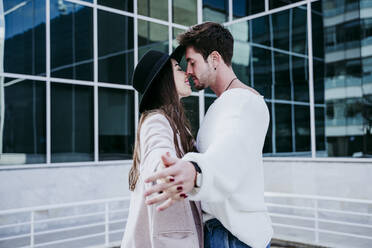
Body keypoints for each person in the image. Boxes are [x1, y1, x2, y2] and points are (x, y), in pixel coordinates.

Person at [144, 22, 273, 248]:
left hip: (233, 237)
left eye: (192, 62)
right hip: (221, 234)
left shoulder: (244, 102)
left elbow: (228, 153)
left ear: (214, 59)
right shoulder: (224, 104)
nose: (189, 71)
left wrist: (195, 171)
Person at [120, 47, 203, 248]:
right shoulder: (155, 120)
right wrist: (164, 170)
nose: (186, 73)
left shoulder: (177, 124)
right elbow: (158, 151)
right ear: (163, 79)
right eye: (178, 68)